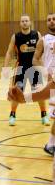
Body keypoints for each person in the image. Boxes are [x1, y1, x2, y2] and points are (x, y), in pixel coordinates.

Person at [4, 14, 49, 126]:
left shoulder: (36, 34)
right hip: (21, 68)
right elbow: (9, 52)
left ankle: (44, 115)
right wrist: (5, 67)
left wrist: (44, 67)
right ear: (20, 23)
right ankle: (12, 115)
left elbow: (42, 51)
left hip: (35, 68)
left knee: (39, 92)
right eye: (22, 21)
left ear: (30, 22)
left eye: (26, 21)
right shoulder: (16, 37)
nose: (24, 22)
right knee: (16, 92)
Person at [32, 13, 55, 156]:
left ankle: (51, 144)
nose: (52, 21)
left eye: (54, 19)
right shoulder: (43, 40)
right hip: (52, 84)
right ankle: (50, 144)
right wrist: (46, 72)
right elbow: (35, 59)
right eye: (49, 20)